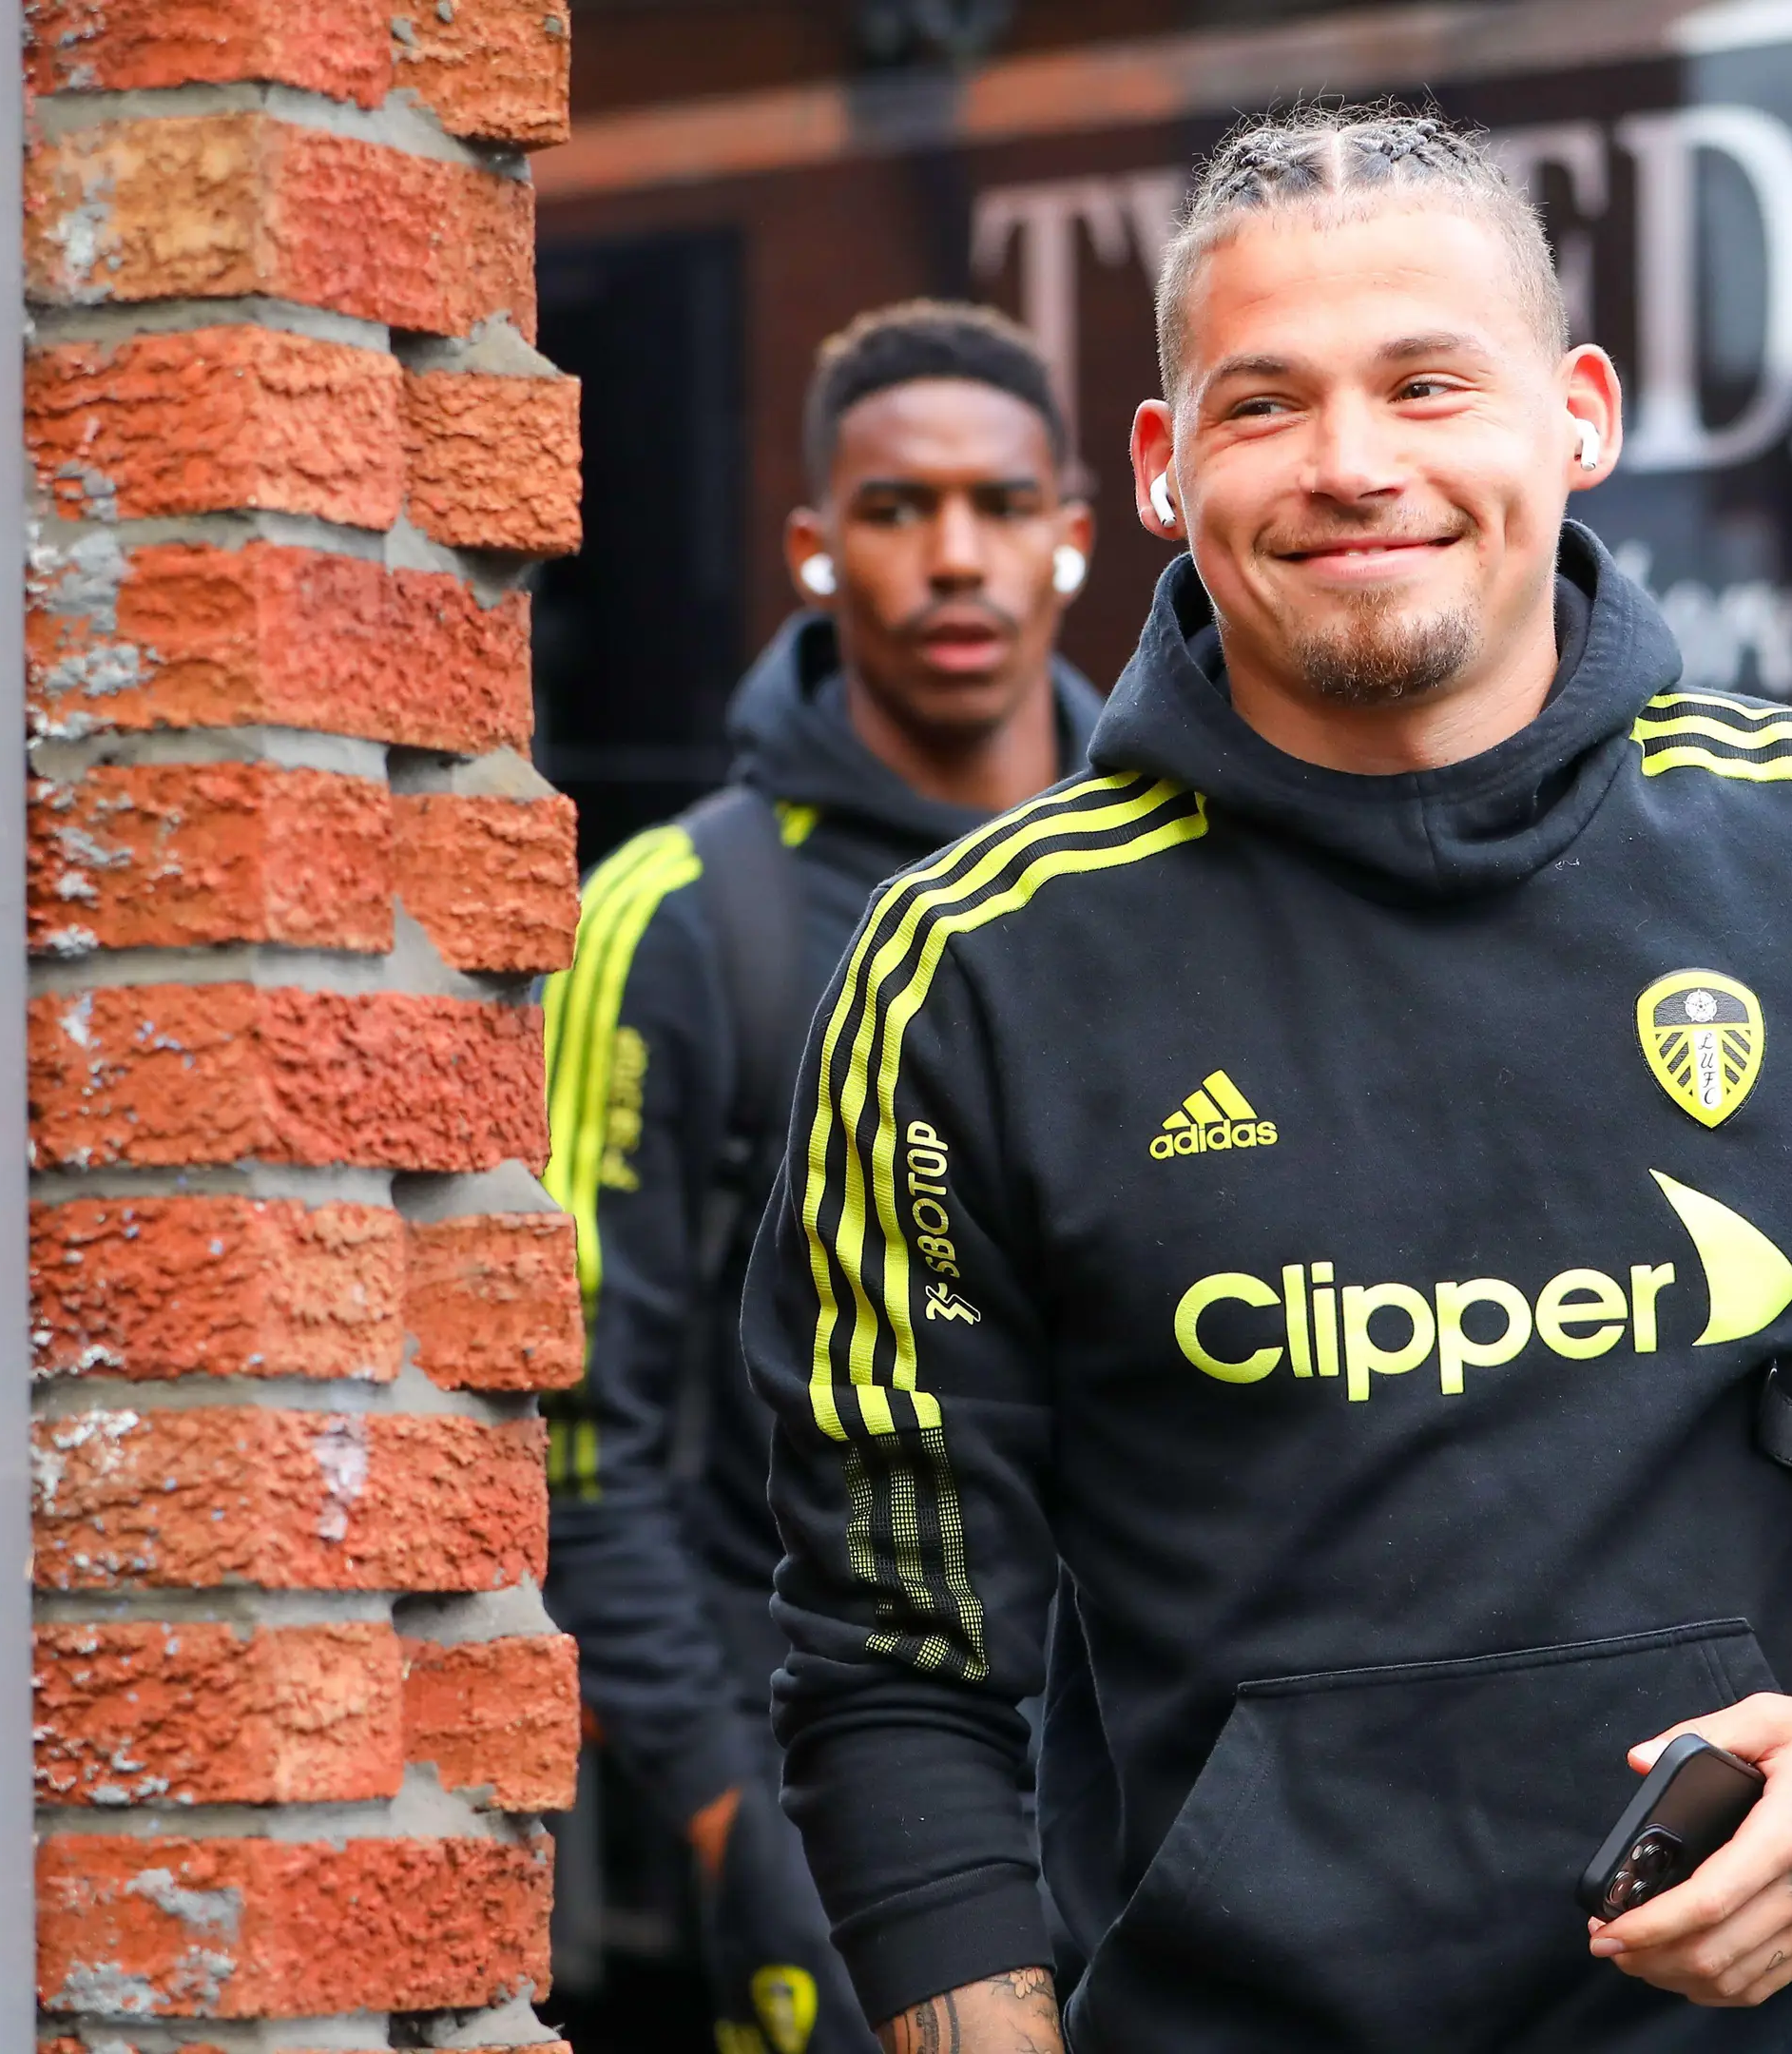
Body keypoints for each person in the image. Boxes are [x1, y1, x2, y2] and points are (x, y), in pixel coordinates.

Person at [748, 107, 1792, 2053]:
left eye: (1429, 382)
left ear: (1578, 416)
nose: (1357, 464)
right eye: (1266, 406)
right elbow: (891, 1666)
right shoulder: (974, 971)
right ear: (1168, 470)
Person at [542, 299, 1102, 2054]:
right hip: (826, 1806)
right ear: (812, 548)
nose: (956, 557)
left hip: (1156, 1807)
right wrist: (738, 1833)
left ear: (1077, 533)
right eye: (894, 509)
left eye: (1004, 506)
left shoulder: (1180, 881)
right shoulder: (681, 917)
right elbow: (574, 1443)